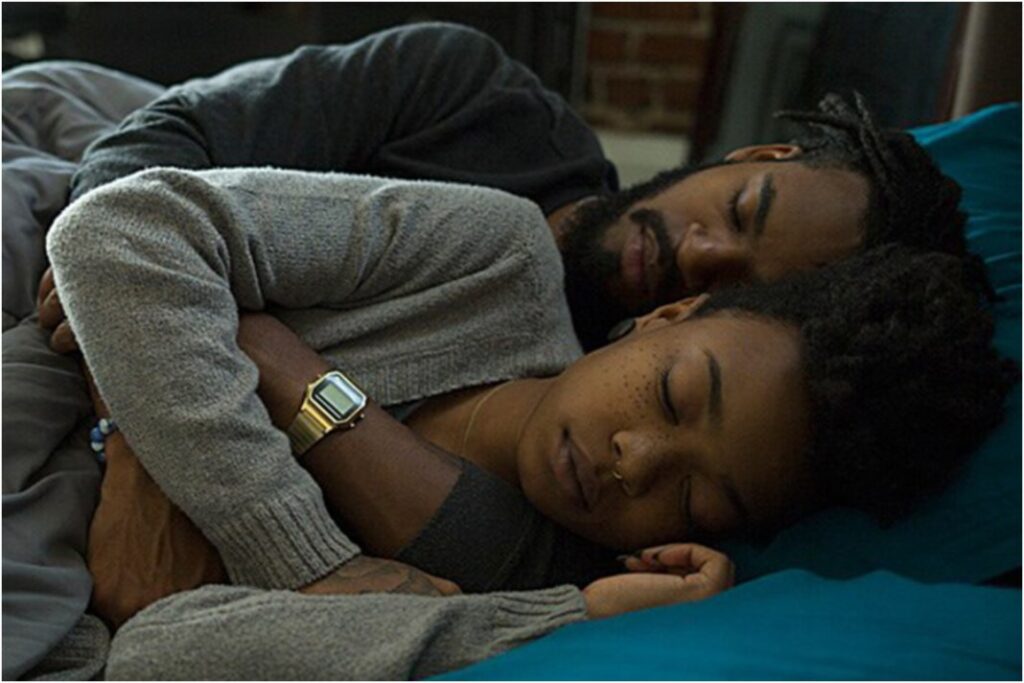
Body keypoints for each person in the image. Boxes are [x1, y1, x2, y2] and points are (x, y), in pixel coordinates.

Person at [45, 166, 1013, 679]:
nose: (636, 458)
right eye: (674, 395)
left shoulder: (527, 585)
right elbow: (123, 227)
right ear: (669, 315)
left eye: (697, 495)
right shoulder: (494, 261)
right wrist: (303, 557)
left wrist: (560, 621)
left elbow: (160, 654)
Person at [50, 22, 980, 351]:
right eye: (740, 212)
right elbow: (164, 134)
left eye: (745, 284)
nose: (702, 252)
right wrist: (126, 318)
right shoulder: (469, 90)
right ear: (751, 157)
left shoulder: (593, 411)